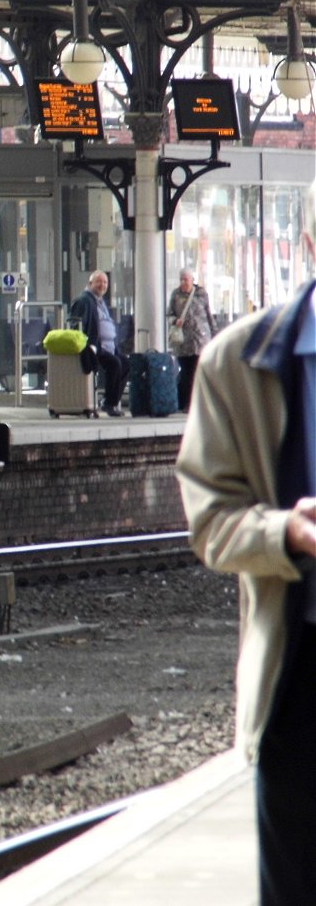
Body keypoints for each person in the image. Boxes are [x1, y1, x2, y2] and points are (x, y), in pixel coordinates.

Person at [176, 253, 316, 904]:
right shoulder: (239, 363)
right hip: (299, 679)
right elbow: (210, 518)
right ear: (313, 245)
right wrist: (284, 532)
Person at [68, 269, 124, 416]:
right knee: (115, 364)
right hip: (94, 347)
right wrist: (88, 345)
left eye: (105, 282)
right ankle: (110, 404)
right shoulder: (85, 301)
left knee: (125, 364)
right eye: (99, 281)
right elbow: (76, 325)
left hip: (109, 346)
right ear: (90, 283)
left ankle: (109, 400)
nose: (102, 285)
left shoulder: (99, 301)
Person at [167, 267, 216, 412]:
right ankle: (184, 403)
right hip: (183, 342)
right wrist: (175, 321)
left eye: (186, 280)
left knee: (197, 372)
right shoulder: (176, 295)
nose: (183, 282)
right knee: (186, 373)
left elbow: (208, 314)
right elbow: (169, 314)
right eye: (181, 280)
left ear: (192, 280)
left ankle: (196, 403)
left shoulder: (201, 294)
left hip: (201, 340)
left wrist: (214, 333)